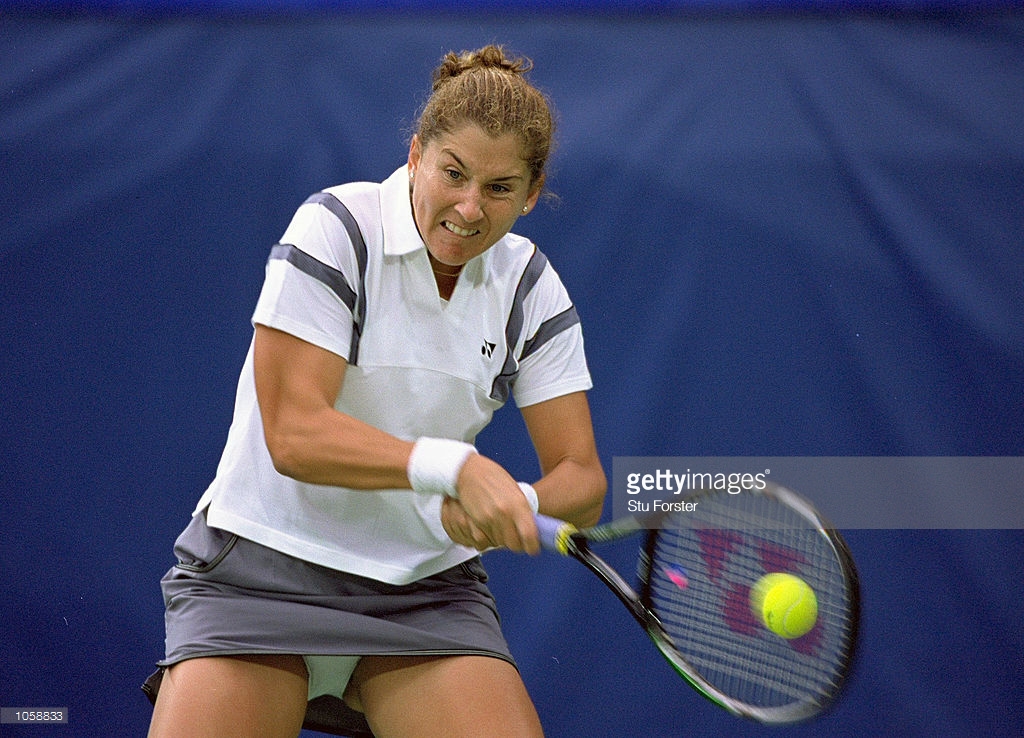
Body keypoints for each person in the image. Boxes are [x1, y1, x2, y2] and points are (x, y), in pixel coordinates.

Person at [144, 44, 606, 738]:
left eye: (500, 187)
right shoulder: (338, 229)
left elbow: (584, 478)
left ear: (533, 194)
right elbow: (295, 436)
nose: (469, 206)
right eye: (453, 173)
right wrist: (455, 470)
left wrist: (519, 503)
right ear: (416, 155)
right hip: (261, 565)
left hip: (425, 592)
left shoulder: (530, 289)